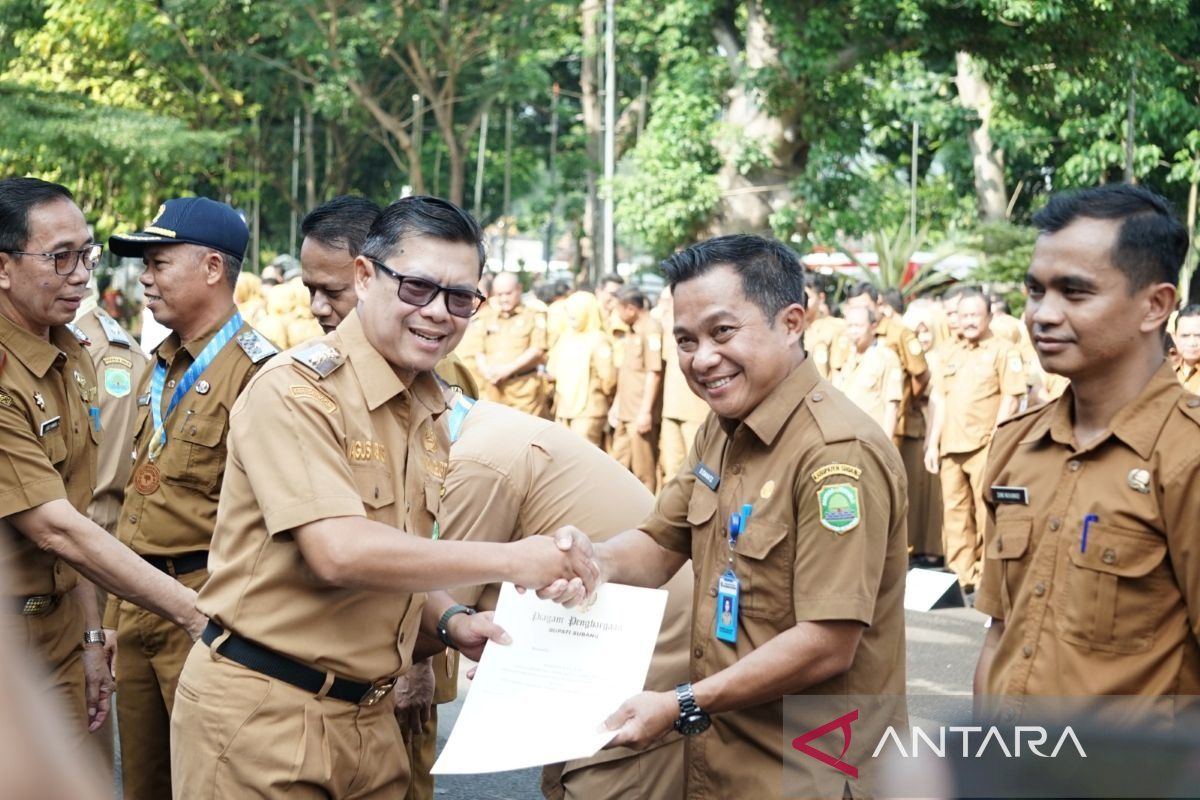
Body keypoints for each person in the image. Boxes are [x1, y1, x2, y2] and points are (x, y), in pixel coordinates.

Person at [170, 196, 597, 800]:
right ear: (366, 277)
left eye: (460, 298)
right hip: (266, 715)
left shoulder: (423, 403)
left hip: (370, 719)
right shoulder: (296, 392)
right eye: (418, 288)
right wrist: (514, 559)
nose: (439, 313)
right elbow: (339, 551)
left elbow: (398, 555)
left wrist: (452, 622)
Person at [550, 234, 908, 799]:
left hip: (804, 771)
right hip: (720, 757)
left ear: (792, 322)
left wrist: (682, 703)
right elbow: (659, 543)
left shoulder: (837, 454)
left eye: (722, 332)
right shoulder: (721, 429)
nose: (702, 359)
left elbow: (827, 641)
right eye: (686, 340)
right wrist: (589, 561)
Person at [974, 183, 1200, 712]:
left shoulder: (1186, 456)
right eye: (1035, 291)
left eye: (1074, 293)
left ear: (1155, 306)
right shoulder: (1017, 446)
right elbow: (998, 635)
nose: (1043, 314)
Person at [0, 177, 205, 750]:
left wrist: (92, 635)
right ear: (3, 268)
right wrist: (196, 614)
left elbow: (80, 511)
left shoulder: (71, 357)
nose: (81, 274)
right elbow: (54, 528)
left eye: (85, 255)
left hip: (64, 625)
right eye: (59, 258)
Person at [102, 195, 278, 800]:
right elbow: (136, 497)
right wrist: (109, 622)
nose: (145, 278)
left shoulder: (260, 375)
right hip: (135, 600)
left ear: (211, 268)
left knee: (208, 782)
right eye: (143, 265)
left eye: (159, 262)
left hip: (203, 609)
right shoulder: (163, 364)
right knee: (144, 782)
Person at [431, 397, 692, 800]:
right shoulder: (486, 428)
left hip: (637, 655)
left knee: (604, 780)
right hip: (587, 635)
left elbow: (436, 607)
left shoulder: (476, 463)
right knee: (562, 781)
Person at [299, 194, 479, 397]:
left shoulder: (438, 366)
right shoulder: (300, 382)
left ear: (365, 277)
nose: (317, 307)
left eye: (334, 292)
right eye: (311, 290)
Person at [924, 290, 1025, 593]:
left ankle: (987, 575)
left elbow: (1012, 396)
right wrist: (932, 443)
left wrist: (998, 436)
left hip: (985, 444)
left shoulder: (1003, 351)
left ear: (989, 317)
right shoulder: (948, 352)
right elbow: (940, 400)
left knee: (986, 512)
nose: (968, 322)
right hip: (951, 445)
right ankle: (961, 574)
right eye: (963, 315)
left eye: (974, 316)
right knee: (954, 513)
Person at [464, 271, 548, 415]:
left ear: (519, 289)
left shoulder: (533, 315)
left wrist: (507, 370)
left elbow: (537, 349)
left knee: (524, 434)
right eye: (499, 294)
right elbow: (479, 350)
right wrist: (486, 371)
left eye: (508, 294)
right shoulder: (487, 317)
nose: (503, 299)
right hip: (493, 389)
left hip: (523, 391)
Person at [610, 285, 663, 491]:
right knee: (617, 465)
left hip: (639, 413)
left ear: (630, 308)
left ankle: (646, 518)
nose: (616, 314)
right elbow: (627, 374)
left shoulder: (651, 329)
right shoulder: (632, 331)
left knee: (643, 472)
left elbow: (654, 372)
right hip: (625, 411)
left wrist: (646, 412)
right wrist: (616, 406)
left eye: (618, 309)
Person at [546, 291, 615, 447]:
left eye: (575, 313)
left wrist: (605, 397)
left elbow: (609, 378)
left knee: (584, 455)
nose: (571, 318)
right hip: (564, 408)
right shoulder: (566, 337)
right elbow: (554, 368)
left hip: (589, 410)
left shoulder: (598, 339)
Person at [656, 286, 710, 483]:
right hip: (671, 409)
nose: (661, 307)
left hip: (696, 412)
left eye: (666, 301)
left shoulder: (697, 326)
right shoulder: (665, 328)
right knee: (672, 473)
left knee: (700, 473)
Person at [833, 305, 904, 438]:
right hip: (845, 438)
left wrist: (886, 448)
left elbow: (892, 406)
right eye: (849, 326)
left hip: (871, 440)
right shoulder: (846, 358)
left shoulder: (886, 358)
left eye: (858, 326)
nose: (853, 331)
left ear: (873, 327)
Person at [801, 280, 845, 380]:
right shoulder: (792, 329)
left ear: (821, 298)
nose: (803, 302)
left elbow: (838, 371)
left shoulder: (836, 327)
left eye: (808, 297)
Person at [1173, 304, 1200, 392]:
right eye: (1185, 336)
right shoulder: (1165, 374)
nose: (1192, 343)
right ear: (1175, 337)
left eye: (1198, 336)